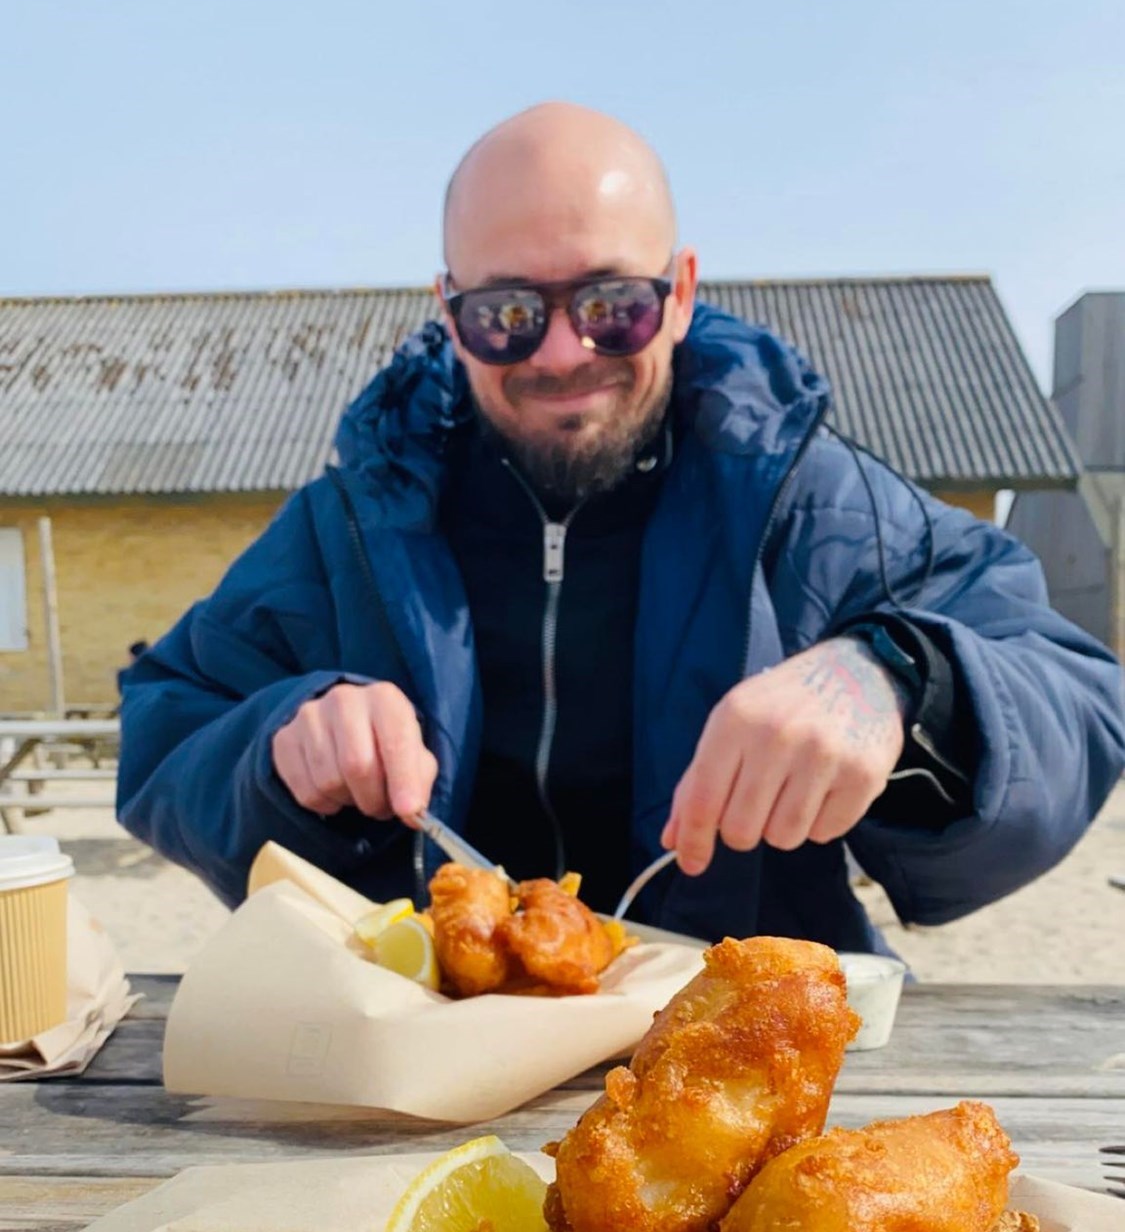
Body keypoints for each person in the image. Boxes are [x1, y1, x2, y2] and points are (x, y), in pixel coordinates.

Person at [117, 103, 1125, 949]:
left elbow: (1078, 694)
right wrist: (282, 741)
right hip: (431, 1072)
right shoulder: (351, 522)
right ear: (449, 307)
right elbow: (167, 727)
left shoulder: (811, 503)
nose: (561, 352)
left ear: (681, 293)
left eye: (613, 303)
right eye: (506, 312)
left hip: (740, 1063)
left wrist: (903, 684)